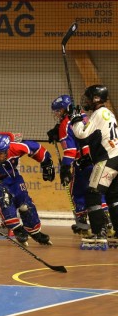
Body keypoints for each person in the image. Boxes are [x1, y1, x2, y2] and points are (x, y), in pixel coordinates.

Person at [0, 133, 55, 246]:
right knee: (4, 197)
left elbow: (35, 148)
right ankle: (16, 228)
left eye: (0, 154)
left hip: (13, 178)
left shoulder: (16, 148)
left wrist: (47, 163)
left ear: (7, 151)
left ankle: (34, 232)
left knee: (25, 205)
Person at [47, 94, 113, 237]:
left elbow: (70, 150)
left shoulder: (65, 124)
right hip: (98, 160)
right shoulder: (84, 115)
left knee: (78, 191)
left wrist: (65, 168)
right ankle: (108, 222)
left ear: (65, 109)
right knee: (98, 191)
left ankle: (83, 223)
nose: (56, 114)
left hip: (82, 164)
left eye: (58, 111)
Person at [70, 84, 118, 249]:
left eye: (89, 98)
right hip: (116, 157)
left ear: (96, 99)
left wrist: (76, 119)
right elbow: (98, 138)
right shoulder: (108, 113)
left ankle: (99, 234)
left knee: (93, 194)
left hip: (107, 159)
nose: (87, 101)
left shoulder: (98, 114)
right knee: (113, 198)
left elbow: (82, 135)